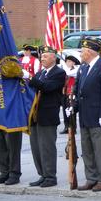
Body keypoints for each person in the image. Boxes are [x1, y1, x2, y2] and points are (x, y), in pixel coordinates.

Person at [70, 39, 101, 191]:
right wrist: (73, 108)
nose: (81, 54)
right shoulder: (83, 67)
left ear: (89, 52)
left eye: (82, 51)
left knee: (100, 151)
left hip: (98, 116)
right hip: (84, 115)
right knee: (87, 150)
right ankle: (91, 178)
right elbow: (78, 91)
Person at [27, 46, 66, 188]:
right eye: (41, 57)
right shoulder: (40, 73)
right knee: (36, 147)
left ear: (53, 58)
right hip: (35, 115)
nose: (42, 59)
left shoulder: (59, 73)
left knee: (47, 147)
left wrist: (30, 77)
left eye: (45, 56)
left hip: (48, 116)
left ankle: (50, 176)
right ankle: (42, 174)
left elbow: (48, 87)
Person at [60, 55, 80, 134]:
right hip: (65, 92)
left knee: (71, 111)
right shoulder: (66, 69)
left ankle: (72, 127)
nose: (67, 63)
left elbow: (68, 73)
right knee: (65, 111)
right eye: (66, 62)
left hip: (71, 93)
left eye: (68, 61)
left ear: (73, 62)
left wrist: (63, 65)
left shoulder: (76, 69)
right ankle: (66, 126)